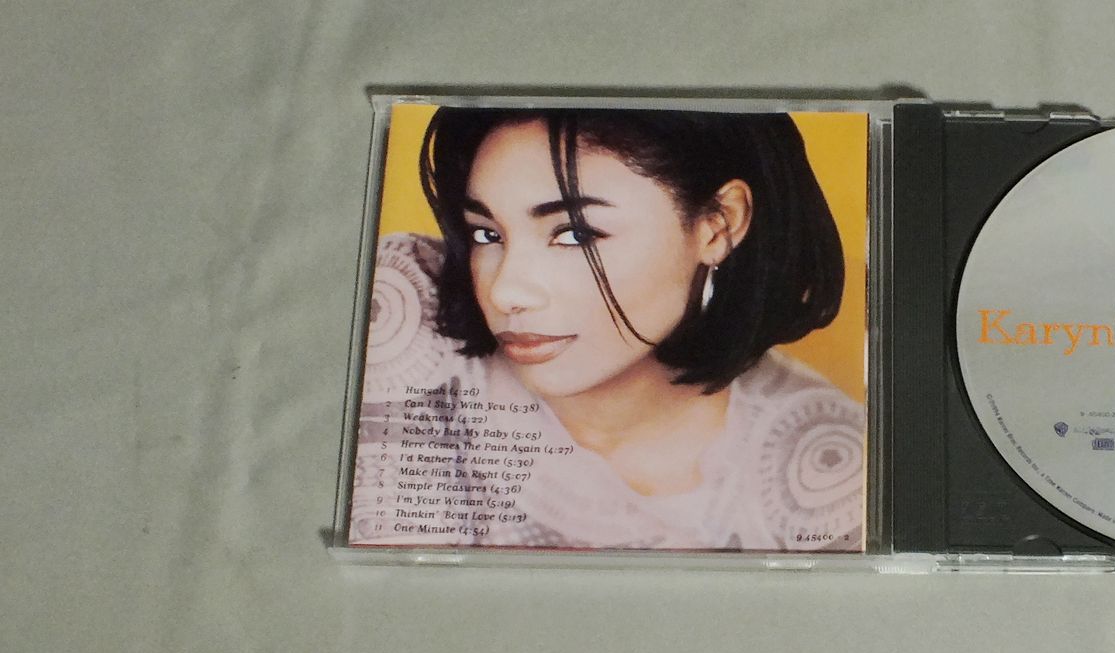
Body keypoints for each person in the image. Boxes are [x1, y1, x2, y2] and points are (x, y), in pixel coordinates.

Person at [354, 107, 864, 552]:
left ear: (719, 224)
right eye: (487, 234)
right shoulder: (406, 314)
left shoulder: (829, 474)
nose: (506, 291)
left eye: (574, 234)